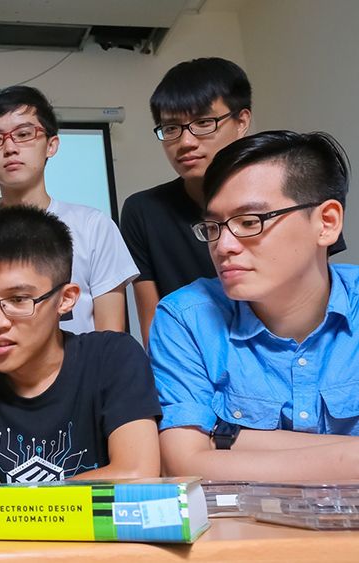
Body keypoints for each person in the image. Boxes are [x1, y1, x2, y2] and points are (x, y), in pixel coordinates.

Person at [152, 131, 359, 480]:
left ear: (326, 223)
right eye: (214, 227)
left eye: (250, 222)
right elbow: (184, 465)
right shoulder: (186, 317)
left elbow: (202, 458)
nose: (223, 246)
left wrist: (227, 439)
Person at [0, 205, 160, 485]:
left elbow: (137, 474)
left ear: (66, 299)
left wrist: (17, 503)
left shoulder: (113, 358)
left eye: (19, 300)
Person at [0, 86, 137, 334]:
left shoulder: (94, 227)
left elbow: (111, 336)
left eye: (23, 134)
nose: (10, 148)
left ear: (51, 145)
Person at [120, 58, 253, 344]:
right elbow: (154, 329)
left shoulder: (286, 195)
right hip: (187, 360)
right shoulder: (142, 211)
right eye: (171, 128)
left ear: (241, 121)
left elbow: (311, 302)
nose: (186, 142)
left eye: (203, 123)